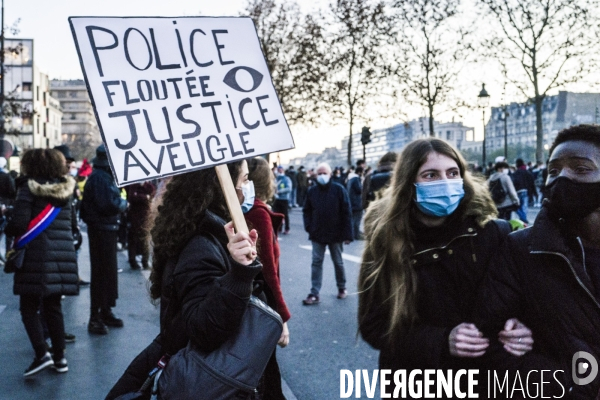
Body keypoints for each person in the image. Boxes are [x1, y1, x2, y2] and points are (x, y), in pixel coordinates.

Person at [358, 138, 532, 396]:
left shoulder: (493, 232)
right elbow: (374, 325)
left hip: (485, 381)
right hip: (417, 384)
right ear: (409, 184)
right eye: (431, 175)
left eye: (452, 173)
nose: (445, 182)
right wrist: (440, 341)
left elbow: (523, 299)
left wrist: (521, 328)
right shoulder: (386, 242)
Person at [106, 160, 284, 399]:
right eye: (244, 179)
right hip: (213, 380)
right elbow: (205, 329)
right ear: (222, 186)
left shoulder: (209, 232)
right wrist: (240, 274)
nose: (249, 186)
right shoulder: (201, 245)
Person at [477, 125, 600, 399]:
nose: (562, 178)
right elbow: (493, 344)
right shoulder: (520, 249)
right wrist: (565, 388)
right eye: (553, 171)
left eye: (580, 169)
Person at [6, 149, 78, 376]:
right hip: (61, 256)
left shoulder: (28, 188)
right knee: (53, 307)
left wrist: (8, 226)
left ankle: (41, 354)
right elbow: (74, 226)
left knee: (28, 307)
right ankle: (60, 359)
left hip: (34, 257)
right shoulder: (66, 189)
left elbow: (19, 224)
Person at [244, 157, 291, 399]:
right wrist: (281, 316)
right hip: (260, 304)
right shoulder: (259, 212)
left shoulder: (245, 208)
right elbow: (269, 271)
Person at [80, 144, 127, 335]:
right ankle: (96, 316)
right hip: (102, 229)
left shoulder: (100, 176)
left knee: (106, 273)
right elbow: (108, 204)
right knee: (102, 274)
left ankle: (105, 311)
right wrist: (123, 204)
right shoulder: (100, 178)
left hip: (104, 228)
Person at [302, 162, 353, 305]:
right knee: (316, 262)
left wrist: (347, 234)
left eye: (324, 173)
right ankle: (314, 293)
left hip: (335, 233)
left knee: (338, 262)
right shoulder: (312, 191)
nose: (322, 176)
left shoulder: (339, 189)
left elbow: (346, 212)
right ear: (315, 175)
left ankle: (342, 288)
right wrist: (309, 227)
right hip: (317, 233)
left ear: (330, 174)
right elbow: (306, 210)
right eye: (319, 173)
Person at [125, 181, 156, 270]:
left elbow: (152, 195)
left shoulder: (148, 186)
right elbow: (131, 197)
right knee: (133, 239)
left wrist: (141, 195)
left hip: (145, 216)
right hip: (134, 217)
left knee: (145, 239)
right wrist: (144, 197)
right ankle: (133, 261)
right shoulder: (133, 185)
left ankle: (145, 261)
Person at [510, 158, 537, 224]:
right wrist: (534, 192)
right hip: (526, 190)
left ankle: (523, 218)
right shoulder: (527, 172)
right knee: (524, 207)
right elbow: (532, 183)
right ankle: (524, 219)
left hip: (518, 191)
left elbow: (514, 182)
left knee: (516, 207)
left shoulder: (516, 173)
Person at [273, 166, 292, 234]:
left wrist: (280, 191)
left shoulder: (286, 179)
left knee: (285, 214)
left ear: (283, 170)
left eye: (281, 170)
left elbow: (289, 188)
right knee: (277, 214)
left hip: (284, 199)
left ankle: (287, 228)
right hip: (277, 199)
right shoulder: (276, 179)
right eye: (278, 170)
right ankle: (279, 228)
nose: (279, 171)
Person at [347, 166, 364, 240]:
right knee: (357, 220)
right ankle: (356, 235)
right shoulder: (356, 179)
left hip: (351, 202)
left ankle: (353, 234)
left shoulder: (350, 179)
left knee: (353, 219)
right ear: (359, 172)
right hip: (356, 203)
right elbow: (359, 190)